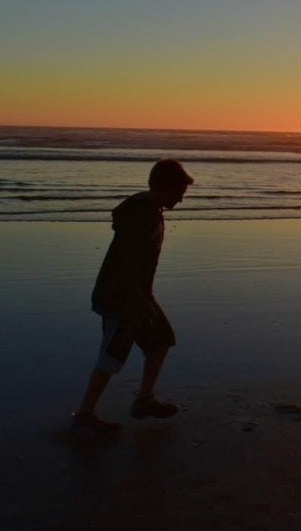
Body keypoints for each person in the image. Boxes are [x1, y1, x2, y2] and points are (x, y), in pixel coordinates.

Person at [71, 159, 194, 433]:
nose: (181, 200)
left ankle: (145, 401)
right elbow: (124, 264)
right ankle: (84, 415)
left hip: (138, 295)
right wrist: (138, 301)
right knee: (112, 355)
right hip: (119, 298)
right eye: (178, 193)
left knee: (161, 340)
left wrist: (143, 298)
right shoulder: (140, 215)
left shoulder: (151, 209)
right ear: (163, 188)